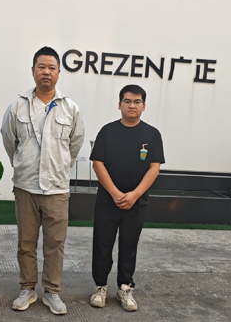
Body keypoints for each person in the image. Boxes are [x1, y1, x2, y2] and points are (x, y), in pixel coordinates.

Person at [1, 46, 85, 315]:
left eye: (51, 67)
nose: (46, 72)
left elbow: (75, 144)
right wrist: (23, 165)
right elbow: (10, 141)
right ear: (33, 71)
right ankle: (27, 288)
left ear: (59, 72)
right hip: (26, 186)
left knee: (55, 244)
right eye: (41, 67)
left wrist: (58, 167)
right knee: (26, 243)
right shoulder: (18, 106)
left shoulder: (70, 108)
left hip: (57, 189)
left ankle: (52, 291)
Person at [88, 84, 165, 312]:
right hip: (107, 201)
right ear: (119, 104)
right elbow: (98, 164)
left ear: (144, 106)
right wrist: (115, 193)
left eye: (137, 101)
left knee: (129, 246)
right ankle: (100, 286)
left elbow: (154, 168)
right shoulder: (107, 131)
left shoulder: (152, 135)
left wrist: (134, 195)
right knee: (102, 244)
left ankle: (125, 287)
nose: (132, 105)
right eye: (127, 101)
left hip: (136, 202)